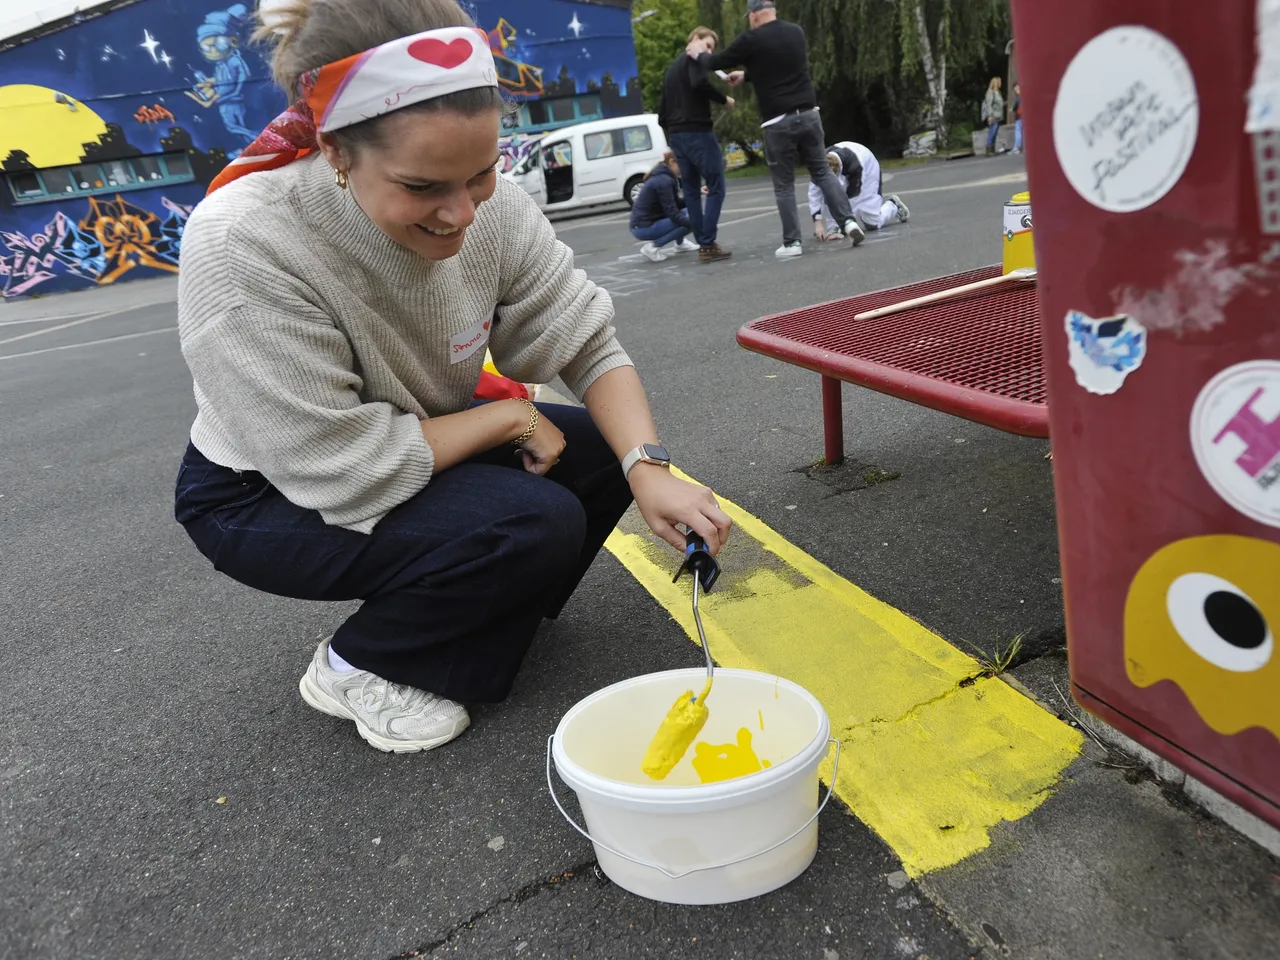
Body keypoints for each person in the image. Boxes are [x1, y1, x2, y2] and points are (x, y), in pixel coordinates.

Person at [175, 0, 732, 756]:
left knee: (599, 450)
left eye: (481, 174)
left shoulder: (486, 207)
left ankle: (477, 609)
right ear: (336, 151)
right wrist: (508, 419)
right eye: (423, 186)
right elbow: (336, 463)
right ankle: (359, 664)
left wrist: (647, 466)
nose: (461, 212)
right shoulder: (247, 241)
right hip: (265, 489)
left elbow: (586, 341)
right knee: (531, 520)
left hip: (403, 431)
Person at [687, 0, 865, 259]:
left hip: (777, 121)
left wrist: (697, 53)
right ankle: (849, 222)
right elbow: (778, 66)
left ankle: (792, 243)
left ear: (756, 14)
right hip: (808, 114)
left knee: (784, 184)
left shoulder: (751, 39)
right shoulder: (796, 32)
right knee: (823, 172)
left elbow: (716, 61)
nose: (749, 20)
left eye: (749, 16)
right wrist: (746, 76)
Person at [658, 26, 734, 264]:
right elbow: (699, 83)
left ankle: (704, 243)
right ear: (696, 40)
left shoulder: (671, 70)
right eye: (708, 45)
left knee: (691, 191)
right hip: (698, 132)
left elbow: (661, 114)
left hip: (677, 136)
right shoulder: (696, 57)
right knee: (716, 185)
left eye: (711, 48)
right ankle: (708, 243)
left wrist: (673, 134)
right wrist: (724, 100)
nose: (708, 52)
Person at [810, 142, 909, 241]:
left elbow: (853, 199)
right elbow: (815, 194)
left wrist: (843, 226)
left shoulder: (855, 167)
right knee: (829, 193)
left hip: (867, 168)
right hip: (849, 156)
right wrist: (818, 222)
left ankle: (893, 205)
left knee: (872, 223)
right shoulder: (819, 167)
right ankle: (835, 227)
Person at [630, 153, 697, 262]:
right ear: (671, 162)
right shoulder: (663, 181)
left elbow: (677, 204)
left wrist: (696, 195)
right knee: (694, 220)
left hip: (643, 224)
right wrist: (696, 225)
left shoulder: (666, 177)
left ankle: (680, 244)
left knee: (690, 212)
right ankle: (652, 247)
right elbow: (673, 213)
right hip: (643, 227)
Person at [982, 77, 1005, 157]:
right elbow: (989, 104)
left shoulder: (997, 92)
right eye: (999, 82)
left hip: (998, 115)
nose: (1000, 84)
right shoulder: (990, 92)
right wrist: (990, 115)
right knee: (992, 132)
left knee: (994, 133)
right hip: (994, 115)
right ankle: (988, 149)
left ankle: (992, 148)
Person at [1012, 82, 1024, 155]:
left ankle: (1017, 147)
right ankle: (1025, 147)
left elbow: (1017, 102)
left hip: (1020, 114)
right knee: (1024, 131)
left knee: (1018, 131)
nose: (1015, 89)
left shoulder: (1018, 94)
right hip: (1025, 115)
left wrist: (1013, 109)